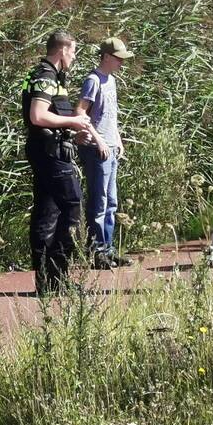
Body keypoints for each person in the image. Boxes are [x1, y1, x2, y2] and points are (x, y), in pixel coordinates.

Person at [22, 30, 92, 295]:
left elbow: (51, 116)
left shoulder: (47, 75)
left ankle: (48, 282)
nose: (73, 57)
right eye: (73, 51)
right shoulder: (46, 76)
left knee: (47, 212)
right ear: (63, 50)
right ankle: (57, 275)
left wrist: (73, 131)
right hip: (49, 152)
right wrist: (72, 122)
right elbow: (38, 116)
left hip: (48, 148)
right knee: (72, 206)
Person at [76, 37, 133, 269]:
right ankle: (96, 252)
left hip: (111, 148)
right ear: (107, 57)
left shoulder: (111, 81)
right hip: (95, 149)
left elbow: (112, 115)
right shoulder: (93, 80)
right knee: (98, 202)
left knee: (111, 202)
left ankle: (108, 249)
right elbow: (80, 111)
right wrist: (98, 140)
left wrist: (117, 139)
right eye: (118, 58)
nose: (121, 62)